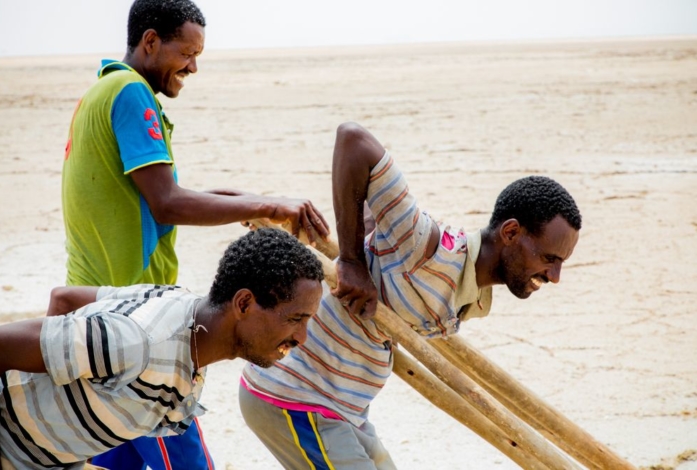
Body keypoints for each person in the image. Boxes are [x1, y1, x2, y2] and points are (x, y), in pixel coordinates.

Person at [61, 0, 329, 467]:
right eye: (186, 53)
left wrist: (244, 202)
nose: (194, 66)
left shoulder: (99, 93)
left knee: (113, 461)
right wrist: (266, 205)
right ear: (150, 42)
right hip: (134, 323)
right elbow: (169, 202)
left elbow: (155, 198)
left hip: (96, 311)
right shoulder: (130, 92)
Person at [239, 122, 583, 469]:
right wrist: (351, 261)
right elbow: (353, 140)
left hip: (347, 409)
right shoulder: (427, 248)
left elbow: (375, 220)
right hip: (295, 394)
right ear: (510, 232)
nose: (554, 277)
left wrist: (369, 236)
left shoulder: (470, 295)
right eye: (548, 259)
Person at [0, 229, 324, 470]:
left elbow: (66, 298)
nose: (303, 337)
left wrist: (66, 404)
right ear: (245, 303)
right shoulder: (138, 342)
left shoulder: (181, 308)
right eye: (296, 319)